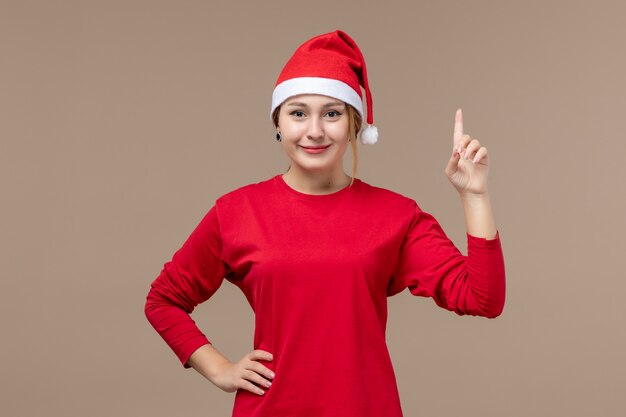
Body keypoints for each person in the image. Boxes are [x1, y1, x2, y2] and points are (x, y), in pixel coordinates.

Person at [144, 29, 506, 417]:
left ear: (355, 125)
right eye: (298, 113)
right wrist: (218, 369)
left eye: (331, 113)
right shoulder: (236, 212)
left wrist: (475, 196)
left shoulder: (396, 215)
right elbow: (163, 300)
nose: (314, 130)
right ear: (278, 123)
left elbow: (483, 298)